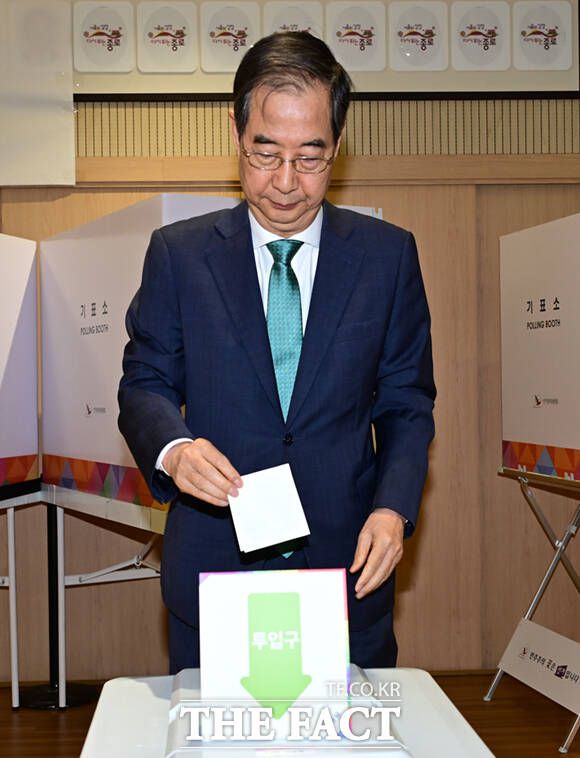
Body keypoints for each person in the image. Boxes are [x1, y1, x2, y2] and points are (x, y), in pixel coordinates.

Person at [118, 31, 435, 673]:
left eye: (309, 158)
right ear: (237, 133)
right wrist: (174, 449)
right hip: (216, 567)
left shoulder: (387, 257)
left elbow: (406, 402)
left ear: (337, 146)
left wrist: (393, 507)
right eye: (265, 154)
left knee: (350, 729)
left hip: (346, 571)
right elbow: (144, 382)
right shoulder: (180, 255)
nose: (286, 183)